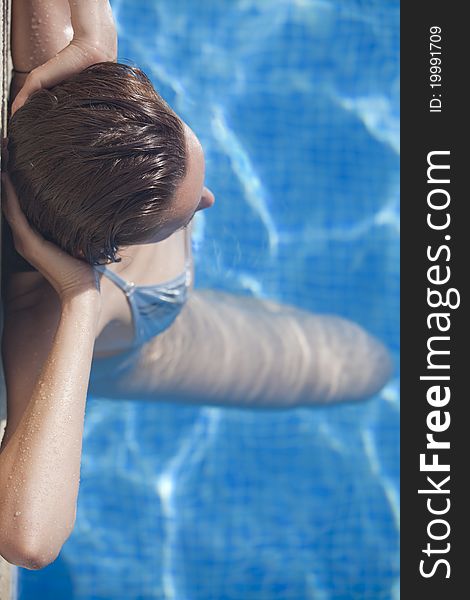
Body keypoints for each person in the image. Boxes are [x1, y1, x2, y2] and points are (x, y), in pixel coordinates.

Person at [0, 0, 393, 570]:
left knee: (368, 363)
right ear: (95, 250)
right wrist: (81, 300)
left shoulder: (73, 109)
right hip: (140, 355)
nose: (209, 200)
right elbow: (27, 539)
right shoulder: (51, 317)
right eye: (181, 217)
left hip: (141, 297)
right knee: (365, 370)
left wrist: (92, 31)